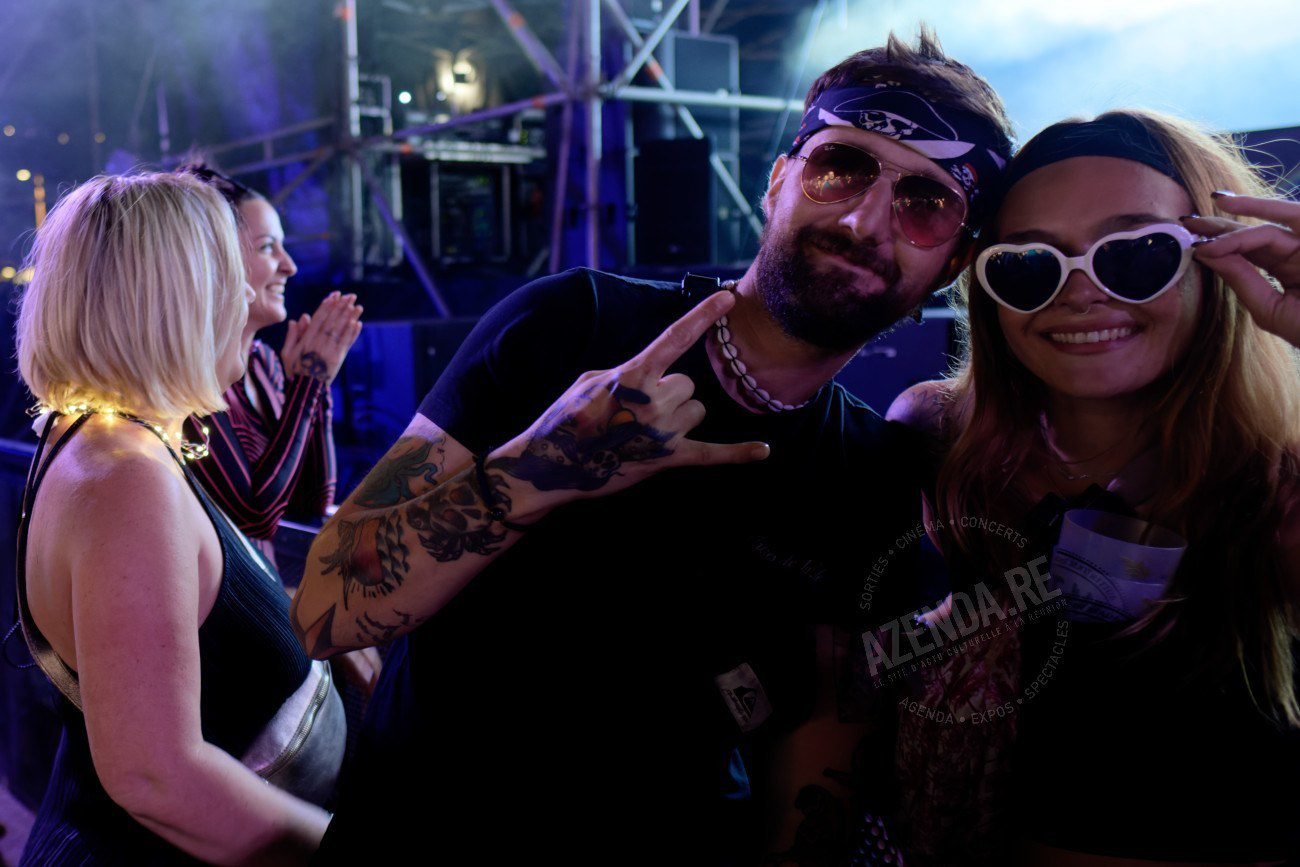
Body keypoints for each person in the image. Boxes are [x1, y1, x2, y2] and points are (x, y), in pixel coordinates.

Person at [292, 28, 1014, 863]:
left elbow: (815, 752)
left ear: (953, 263)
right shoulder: (575, 325)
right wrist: (539, 469)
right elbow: (323, 608)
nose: (862, 219)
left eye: (926, 204)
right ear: (778, 182)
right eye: (839, 168)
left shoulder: (867, 475)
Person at [887, 110, 1300, 864]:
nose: (1079, 293)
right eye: (1028, 264)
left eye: (1135, 254)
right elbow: (872, 655)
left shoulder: (1278, 490)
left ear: (1219, 261)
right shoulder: (938, 441)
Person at [15, 172, 344, 864]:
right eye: (229, 278)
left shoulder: (114, 440)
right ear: (177, 301)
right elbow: (156, 776)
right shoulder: (125, 481)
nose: (247, 299)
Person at [180, 164, 363, 570]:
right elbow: (255, 515)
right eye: (267, 248)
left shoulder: (263, 363)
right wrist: (309, 383)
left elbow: (310, 501)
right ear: (218, 259)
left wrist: (312, 386)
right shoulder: (186, 373)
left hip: (265, 585)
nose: (289, 265)